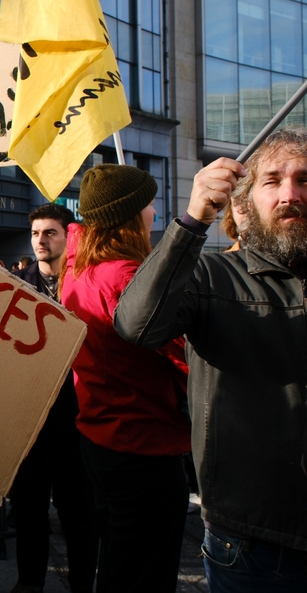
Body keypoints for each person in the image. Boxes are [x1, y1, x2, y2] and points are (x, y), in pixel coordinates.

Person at [115, 126, 307, 592]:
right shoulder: (211, 274)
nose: (290, 194)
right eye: (272, 180)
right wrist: (192, 220)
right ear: (241, 205)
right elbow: (136, 325)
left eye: (304, 179)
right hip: (250, 544)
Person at [60, 164, 191, 593]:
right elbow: (185, 357)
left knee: (119, 560)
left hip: (102, 436)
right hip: (142, 441)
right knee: (145, 574)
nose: (155, 212)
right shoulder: (124, 277)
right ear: (131, 215)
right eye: (149, 204)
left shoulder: (78, 269)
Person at [8, 204, 98, 593]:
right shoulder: (13, 285)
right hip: (27, 427)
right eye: (35, 234)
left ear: (68, 235)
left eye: (50, 233)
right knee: (28, 516)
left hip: (77, 426)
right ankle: (29, 585)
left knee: (79, 518)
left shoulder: (85, 284)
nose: (41, 241)